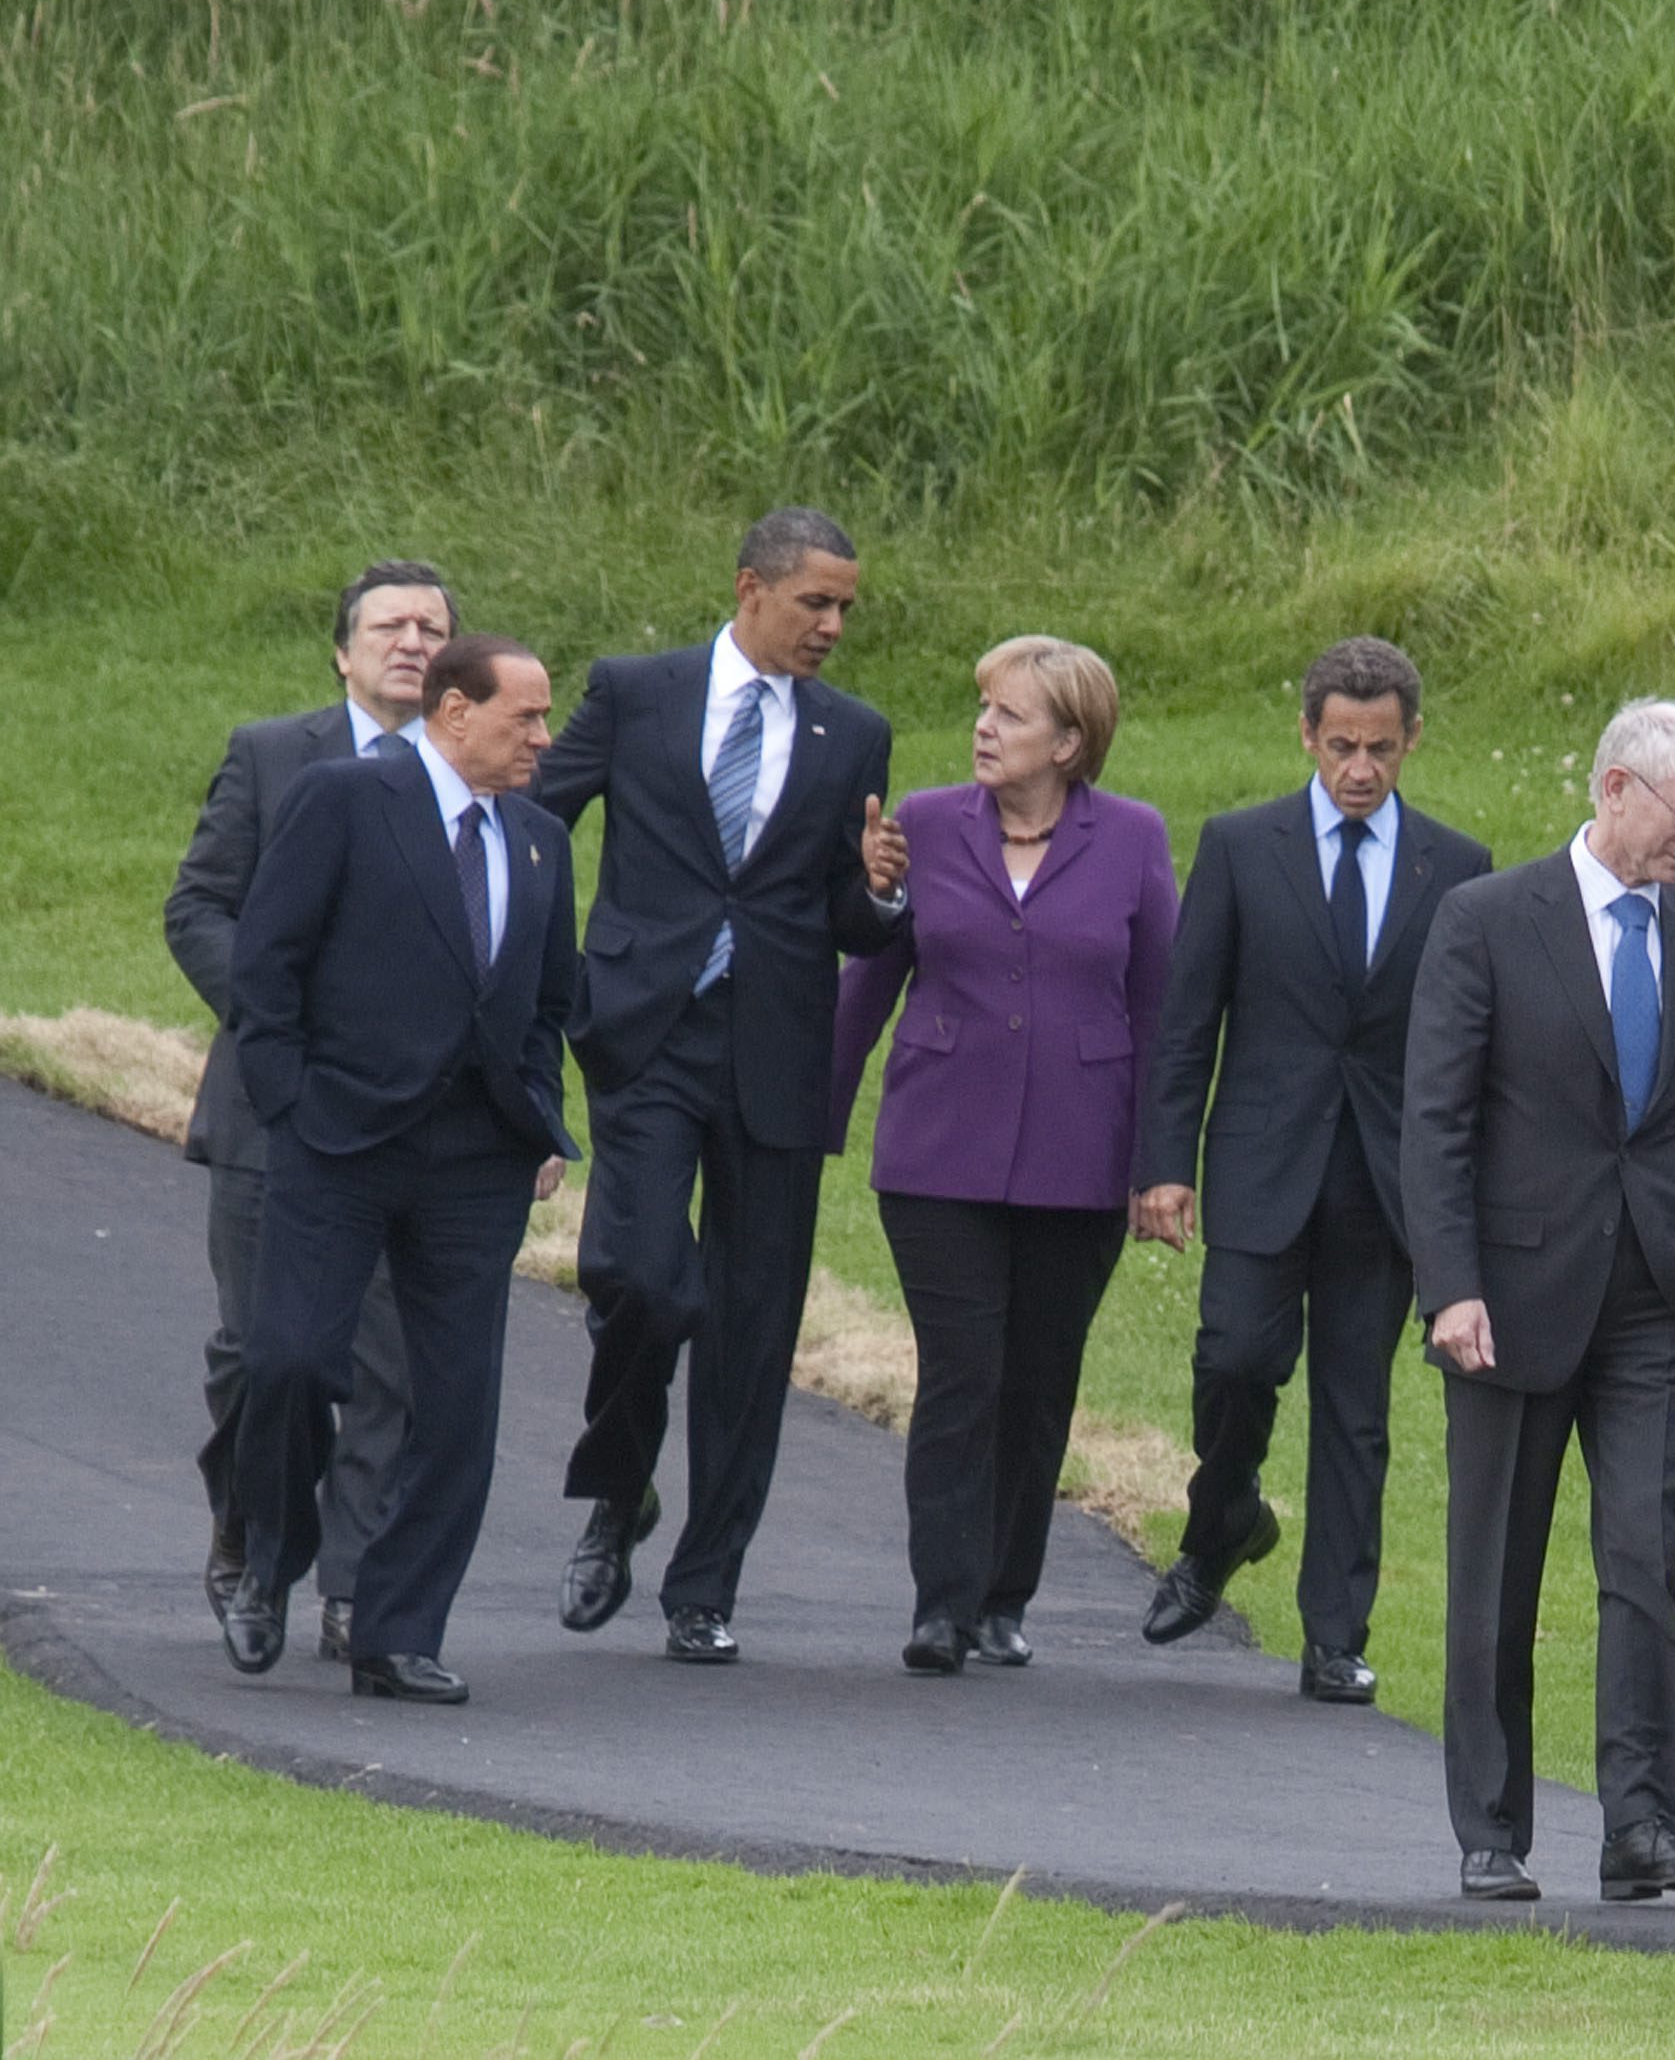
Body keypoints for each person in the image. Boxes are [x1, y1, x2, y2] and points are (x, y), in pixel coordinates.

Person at [1401, 697, 1675, 1905]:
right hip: (1509, 1297)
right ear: (1616, 788)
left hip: (1658, 1300)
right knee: (1497, 1571)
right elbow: (1437, 1123)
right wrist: (1449, 1286)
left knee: (1641, 1561)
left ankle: (1643, 1826)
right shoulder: (1489, 921)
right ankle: (1491, 1831)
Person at [536, 508, 908, 1664]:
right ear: (753, 588)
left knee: (754, 1327)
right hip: (647, 1033)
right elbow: (538, 824)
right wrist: (552, 982)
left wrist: (881, 893)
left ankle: (706, 1589)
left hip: (779, 1052)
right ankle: (620, 1486)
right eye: (817, 603)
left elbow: (842, 913)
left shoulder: (855, 733)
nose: (834, 625)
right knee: (639, 1278)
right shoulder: (637, 691)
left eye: (847, 607)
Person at [218, 635, 578, 1705]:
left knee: (457, 1405)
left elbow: (548, 1002)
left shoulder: (543, 841)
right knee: (290, 1362)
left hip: (477, 1162)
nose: (545, 738)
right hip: (341, 1142)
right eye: (525, 718)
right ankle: (267, 1560)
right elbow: (266, 966)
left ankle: (396, 1630)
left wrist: (541, 1118)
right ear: (454, 711)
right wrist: (291, 1105)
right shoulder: (346, 800)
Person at [1130, 638, 1491, 1703]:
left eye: (1381, 748)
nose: (1361, 768)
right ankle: (1225, 1517)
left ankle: (1334, 1633)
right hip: (1259, 1161)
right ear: (1306, 735)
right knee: (1235, 1361)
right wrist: (1165, 1164)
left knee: (1356, 1410)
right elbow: (1188, 1018)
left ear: (1412, 740)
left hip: (1384, 1185)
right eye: (1342, 746)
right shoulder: (1244, 846)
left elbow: (1464, 1045)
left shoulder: (1456, 867)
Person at [830, 636, 1178, 1674]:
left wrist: (1163, 1163)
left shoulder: (1133, 838)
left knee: (1037, 1380)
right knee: (961, 1373)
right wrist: (814, 1115)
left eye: (1009, 715)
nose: (983, 727)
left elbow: (1162, 1009)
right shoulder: (926, 824)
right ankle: (941, 1603)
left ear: (1070, 742)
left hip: (1082, 1152)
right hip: (939, 1148)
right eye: (982, 708)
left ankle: (1002, 1598)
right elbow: (868, 972)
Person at [165, 561, 451, 1664]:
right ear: (343, 651)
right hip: (271, 1111)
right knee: (264, 1352)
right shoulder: (271, 756)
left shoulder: (466, 778)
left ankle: (353, 1585)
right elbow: (198, 906)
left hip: (403, 1126)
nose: (412, 643)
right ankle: (251, 1525)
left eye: (433, 627)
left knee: (388, 1360)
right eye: (390, 625)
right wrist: (283, 1020)